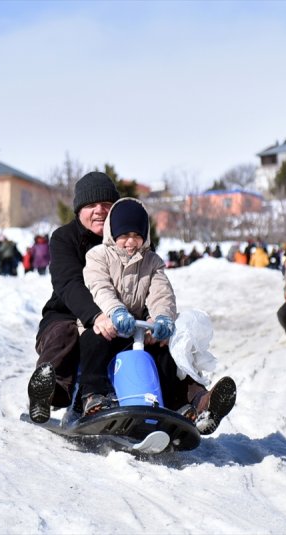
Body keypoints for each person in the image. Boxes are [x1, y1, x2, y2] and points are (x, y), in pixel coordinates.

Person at [27, 172, 235, 435]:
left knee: (166, 345)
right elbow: (70, 284)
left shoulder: (139, 248)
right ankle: (50, 392)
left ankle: (198, 401)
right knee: (66, 334)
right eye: (92, 205)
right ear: (79, 209)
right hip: (74, 312)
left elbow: (156, 288)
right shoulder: (67, 239)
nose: (99, 211)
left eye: (106, 205)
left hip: (129, 317)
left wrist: (157, 321)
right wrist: (98, 316)